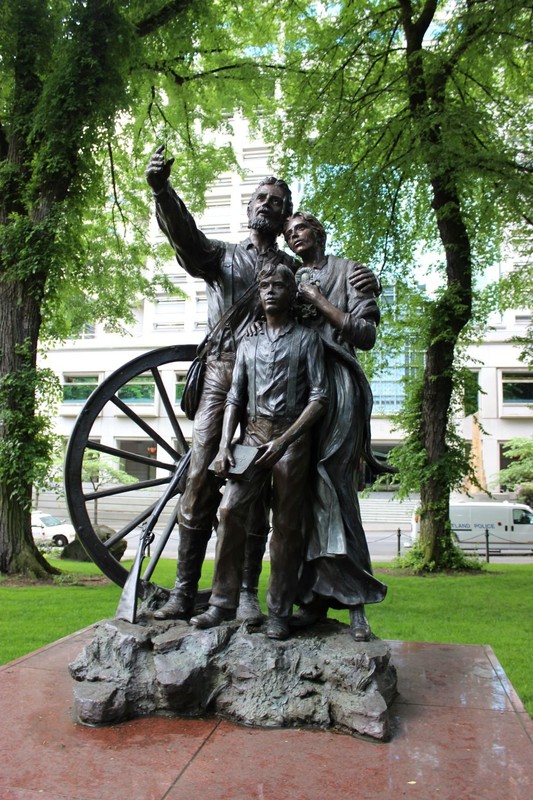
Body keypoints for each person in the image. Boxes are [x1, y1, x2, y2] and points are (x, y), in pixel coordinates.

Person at [145, 146, 380, 622]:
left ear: (287, 216)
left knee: (263, 498)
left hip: (276, 390)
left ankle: (249, 594)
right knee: (200, 477)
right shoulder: (224, 257)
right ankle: (184, 590)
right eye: (262, 198)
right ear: (249, 207)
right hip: (223, 373)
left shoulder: (296, 272)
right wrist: (162, 191)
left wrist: (362, 279)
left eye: (278, 202)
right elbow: (187, 240)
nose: (269, 206)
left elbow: (327, 319)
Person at [190, 263, 328, 640]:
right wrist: (222, 446)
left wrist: (284, 442)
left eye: (278, 285)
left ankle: (279, 612)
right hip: (251, 438)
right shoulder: (247, 344)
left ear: (290, 293)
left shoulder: (307, 340)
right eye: (264, 285)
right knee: (230, 510)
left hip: (291, 441)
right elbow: (235, 397)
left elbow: (319, 398)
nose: (269, 290)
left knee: (286, 527)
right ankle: (221, 603)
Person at [282, 211, 390, 641]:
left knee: (335, 487)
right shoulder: (287, 273)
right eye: (288, 234)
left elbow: (364, 334)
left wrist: (320, 302)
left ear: (319, 233)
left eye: (300, 230)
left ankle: (356, 600)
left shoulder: (349, 272)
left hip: (337, 383)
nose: (293, 238)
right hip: (295, 386)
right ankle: (310, 599)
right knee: (298, 493)